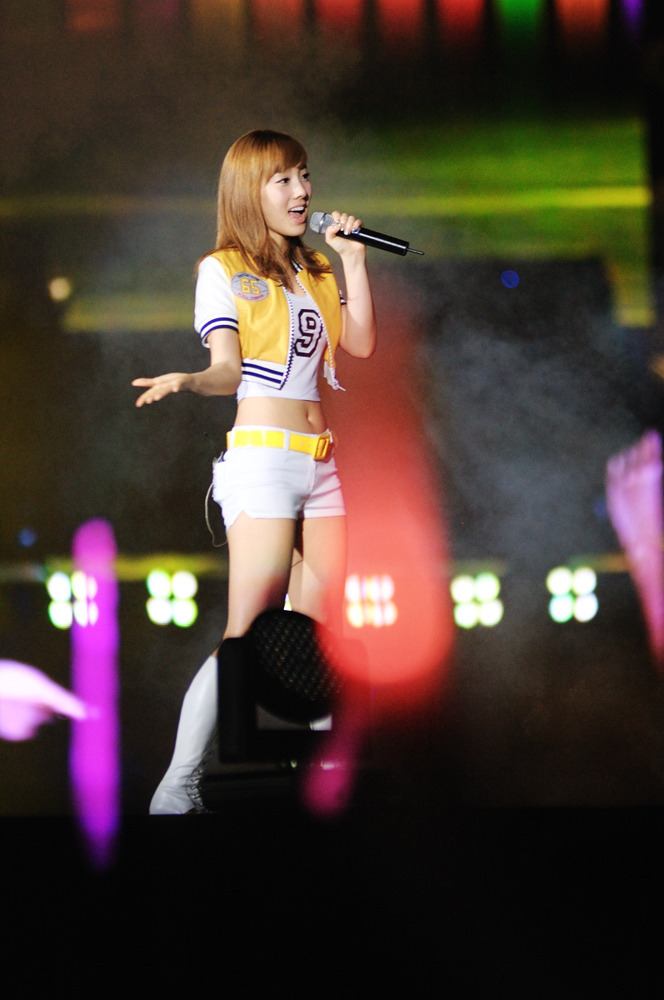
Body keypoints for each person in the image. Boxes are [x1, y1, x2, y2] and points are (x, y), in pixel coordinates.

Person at [133, 129, 376, 813]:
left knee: (322, 631)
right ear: (249, 191)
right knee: (249, 630)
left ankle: (329, 778)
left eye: (305, 175)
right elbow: (226, 369)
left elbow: (359, 343)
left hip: (321, 463)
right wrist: (189, 380)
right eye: (284, 180)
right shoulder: (223, 269)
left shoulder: (317, 268)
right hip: (264, 461)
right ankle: (178, 784)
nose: (302, 191)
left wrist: (354, 262)